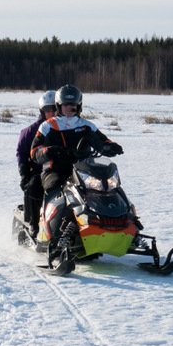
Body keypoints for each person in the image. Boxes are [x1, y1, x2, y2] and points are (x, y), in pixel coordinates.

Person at [30, 84, 123, 240]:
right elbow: (34, 152)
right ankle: (50, 232)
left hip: (84, 171)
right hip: (56, 171)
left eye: (72, 105)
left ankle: (118, 225)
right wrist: (50, 151)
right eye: (66, 105)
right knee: (56, 189)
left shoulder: (86, 126)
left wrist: (110, 147)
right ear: (59, 106)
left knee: (110, 188)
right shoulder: (48, 126)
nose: (69, 108)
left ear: (78, 106)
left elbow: (101, 140)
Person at [16, 90, 57, 233]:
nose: (53, 113)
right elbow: (21, 153)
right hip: (41, 172)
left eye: (55, 109)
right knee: (34, 185)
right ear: (42, 111)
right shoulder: (31, 131)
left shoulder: (67, 127)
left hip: (64, 170)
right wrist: (24, 174)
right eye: (48, 110)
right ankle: (34, 224)